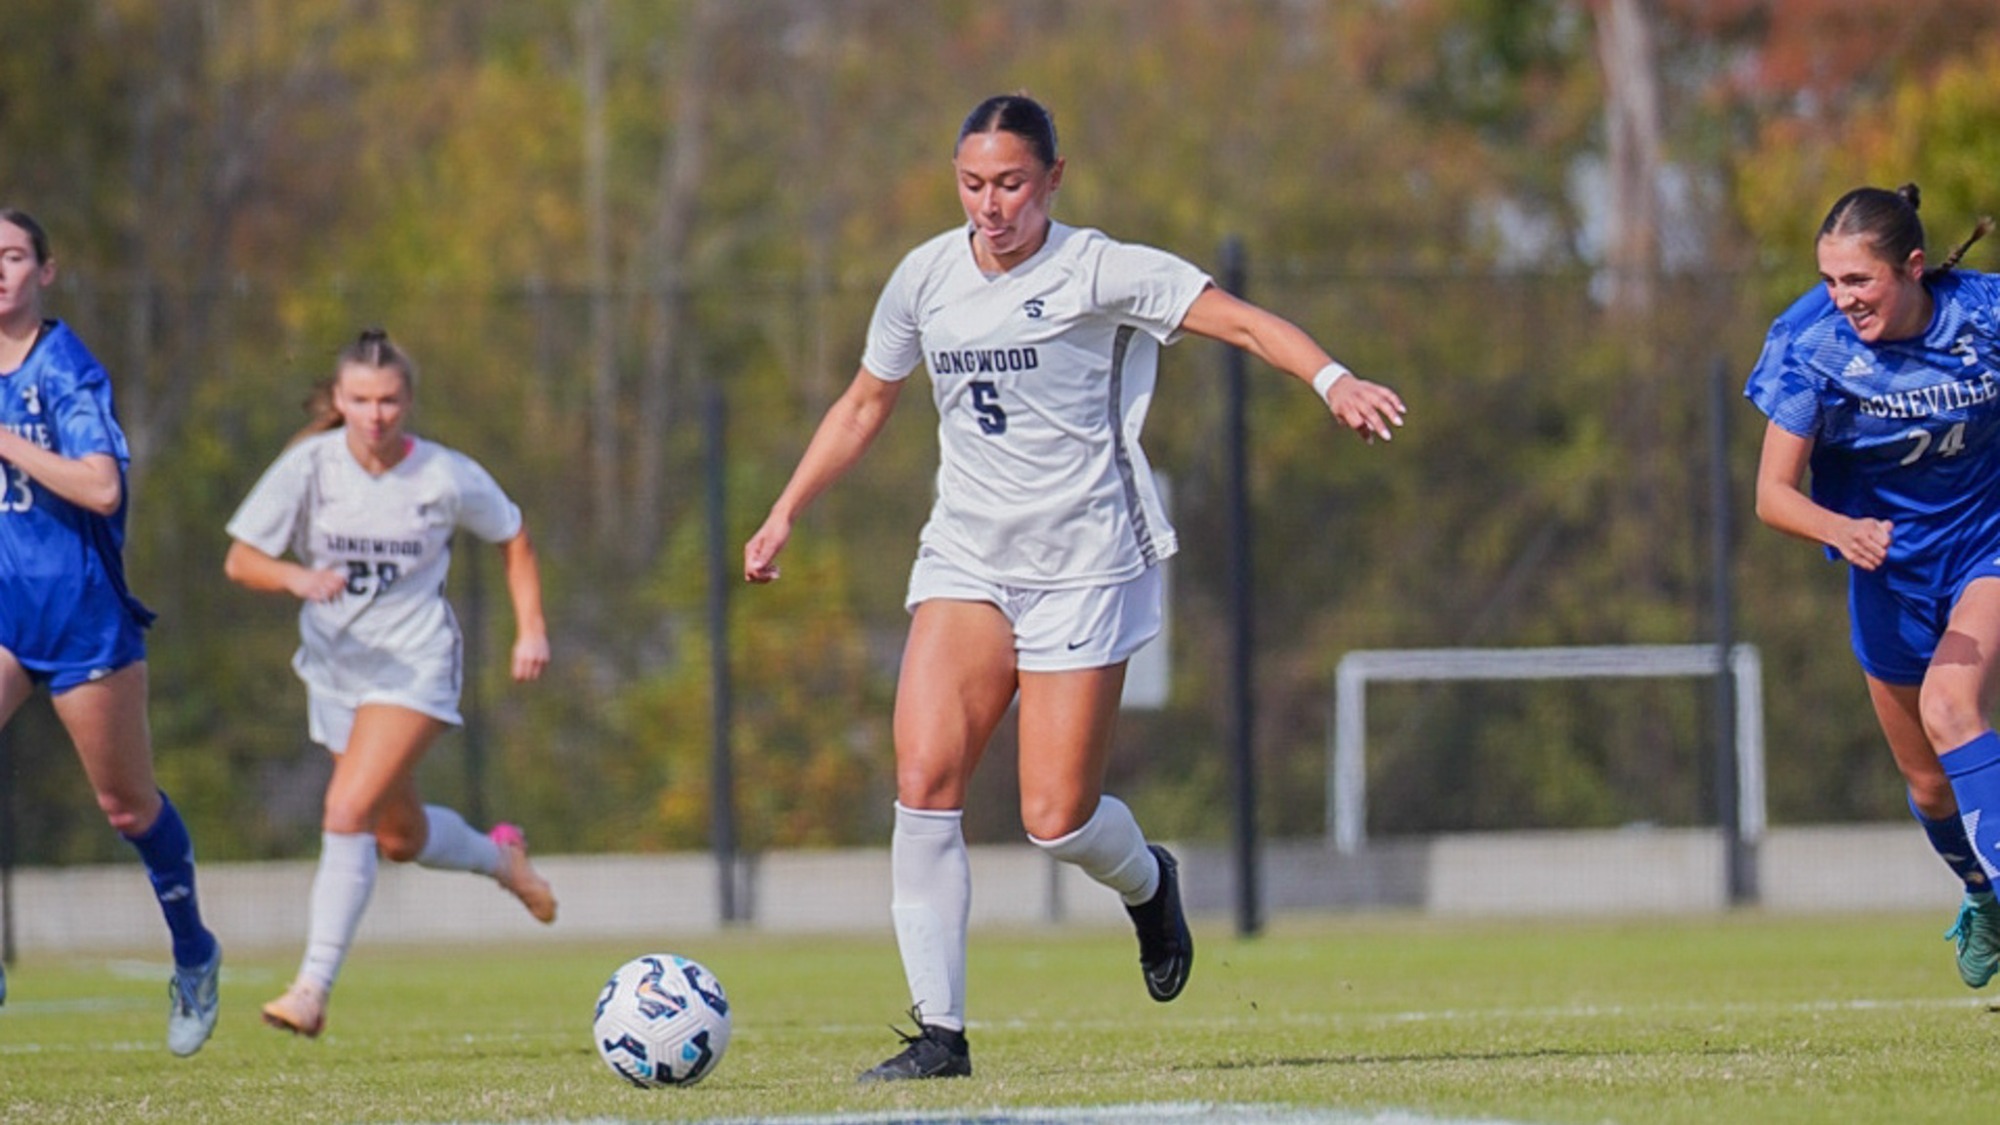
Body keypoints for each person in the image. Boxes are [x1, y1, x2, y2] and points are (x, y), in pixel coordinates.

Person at [743, 93, 1406, 1082]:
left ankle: (1147, 883)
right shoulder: (924, 277)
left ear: (1053, 179)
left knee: (1055, 820)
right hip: (967, 558)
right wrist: (785, 508)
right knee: (923, 783)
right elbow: (864, 402)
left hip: (1086, 563)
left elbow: (1238, 321)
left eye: (1011, 183)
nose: (990, 205)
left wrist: (1331, 380)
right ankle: (939, 1036)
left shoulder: (1098, 269)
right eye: (972, 184)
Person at [224, 327, 557, 1038]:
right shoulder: (310, 467)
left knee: (346, 809)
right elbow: (241, 560)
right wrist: (295, 577)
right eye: (361, 400)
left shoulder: (443, 475)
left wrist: (531, 628)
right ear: (339, 400)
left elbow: (514, 535)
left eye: (388, 400)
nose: (375, 415)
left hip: (414, 664)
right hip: (335, 670)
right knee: (398, 836)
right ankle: (501, 858)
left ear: (408, 401)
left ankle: (311, 989)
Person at [1747, 182, 2000, 990]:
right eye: (1829, 280)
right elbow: (1772, 494)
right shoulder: (1813, 347)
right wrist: (1838, 529)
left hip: (1985, 546)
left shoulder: (1986, 316)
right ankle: (1981, 891)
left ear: (1913, 267)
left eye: (1858, 280)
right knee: (1927, 779)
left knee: (1951, 706)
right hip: (1887, 571)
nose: (1842, 297)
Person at [0, 208, 221, 1055]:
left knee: (126, 805)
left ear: (45, 272)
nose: (0, 272)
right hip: (6, 610)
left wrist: (9, 443)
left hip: (81, 614)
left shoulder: (65, 369)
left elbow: (100, 487)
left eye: (13, 256)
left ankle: (195, 953)